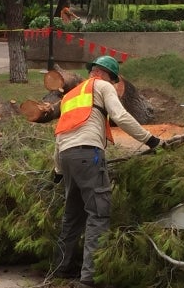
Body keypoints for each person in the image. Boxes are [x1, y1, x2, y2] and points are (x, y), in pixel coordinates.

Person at [51, 55, 163, 287]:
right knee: (98, 213)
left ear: (93, 71)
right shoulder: (102, 86)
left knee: (72, 215)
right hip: (87, 154)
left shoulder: (70, 96)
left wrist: (58, 170)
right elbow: (120, 116)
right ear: (108, 77)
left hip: (66, 155)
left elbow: (60, 133)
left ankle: (60, 268)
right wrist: (150, 140)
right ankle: (90, 277)